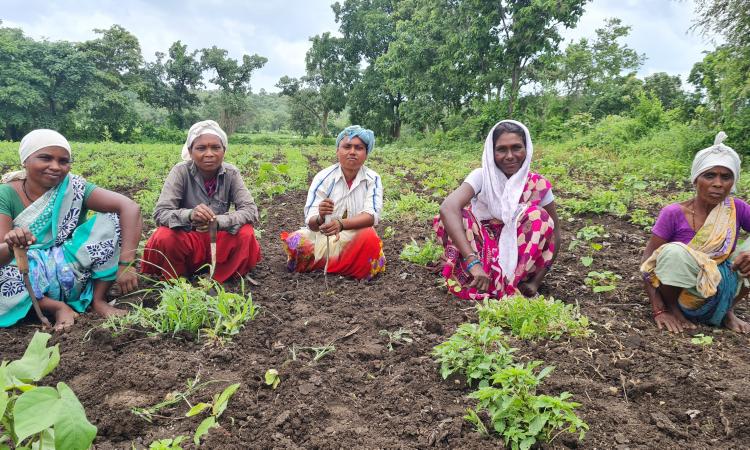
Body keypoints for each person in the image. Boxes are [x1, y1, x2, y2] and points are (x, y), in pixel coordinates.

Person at [0, 129, 142, 330]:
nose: (55, 167)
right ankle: (56, 307)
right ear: (25, 160)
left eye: (63, 161)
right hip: (25, 274)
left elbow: (129, 208)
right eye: (45, 158)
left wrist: (126, 264)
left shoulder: (74, 187)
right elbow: (1, 255)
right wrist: (12, 243)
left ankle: (98, 300)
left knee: (113, 221)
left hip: (71, 269)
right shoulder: (5, 194)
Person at [434, 120, 560, 300]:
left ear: (527, 149)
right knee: (456, 216)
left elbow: (555, 233)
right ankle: (478, 276)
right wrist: (473, 263)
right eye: (501, 149)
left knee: (539, 217)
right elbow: (447, 207)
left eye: (516, 147)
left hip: (519, 259)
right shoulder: (482, 176)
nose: (510, 156)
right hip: (480, 252)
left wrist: (536, 282)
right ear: (491, 152)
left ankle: (510, 282)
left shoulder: (537, 185)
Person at [641, 132, 750, 333]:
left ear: (732, 182)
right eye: (709, 175)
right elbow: (648, 260)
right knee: (674, 252)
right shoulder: (673, 213)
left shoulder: (738, 208)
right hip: (684, 297)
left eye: (725, 177)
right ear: (695, 179)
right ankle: (674, 310)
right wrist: (659, 309)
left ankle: (728, 312)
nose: (718, 183)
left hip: (721, 288)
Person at [141, 120, 262, 283]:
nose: (209, 154)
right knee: (164, 236)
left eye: (215, 147)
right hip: (188, 237)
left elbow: (250, 210)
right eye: (201, 148)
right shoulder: (180, 172)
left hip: (218, 238)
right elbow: (161, 212)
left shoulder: (231, 173)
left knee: (246, 233)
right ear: (190, 151)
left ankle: (220, 279)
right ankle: (178, 280)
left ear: (224, 150)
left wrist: (219, 221)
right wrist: (190, 215)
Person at [280, 125, 385, 280]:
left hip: (355, 237)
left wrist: (341, 224)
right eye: (347, 146)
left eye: (359, 148)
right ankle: (346, 267)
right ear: (337, 151)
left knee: (369, 236)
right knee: (295, 242)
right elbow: (311, 222)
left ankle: (329, 266)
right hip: (323, 237)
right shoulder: (323, 178)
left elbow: (371, 216)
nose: (352, 152)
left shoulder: (372, 179)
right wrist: (321, 217)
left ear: (366, 153)